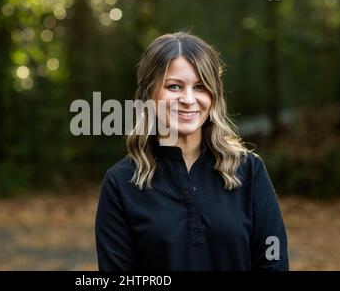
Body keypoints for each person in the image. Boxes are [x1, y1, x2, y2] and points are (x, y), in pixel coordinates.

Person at [95, 32, 288, 270]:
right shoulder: (121, 183)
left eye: (200, 87)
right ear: (149, 94)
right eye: (174, 86)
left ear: (213, 95)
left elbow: (274, 263)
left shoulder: (249, 170)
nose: (188, 99)